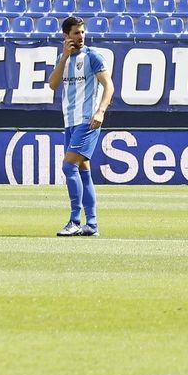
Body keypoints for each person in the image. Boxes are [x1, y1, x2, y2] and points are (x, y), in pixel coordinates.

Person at [46, 15, 114, 237]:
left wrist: (101, 111)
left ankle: (75, 220)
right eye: (76, 33)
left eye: (82, 32)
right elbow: (53, 84)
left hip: (88, 120)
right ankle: (92, 224)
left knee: (68, 167)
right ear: (66, 36)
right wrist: (64, 57)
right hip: (70, 121)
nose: (81, 37)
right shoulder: (63, 58)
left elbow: (108, 86)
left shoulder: (93, 57)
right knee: (83, 171)